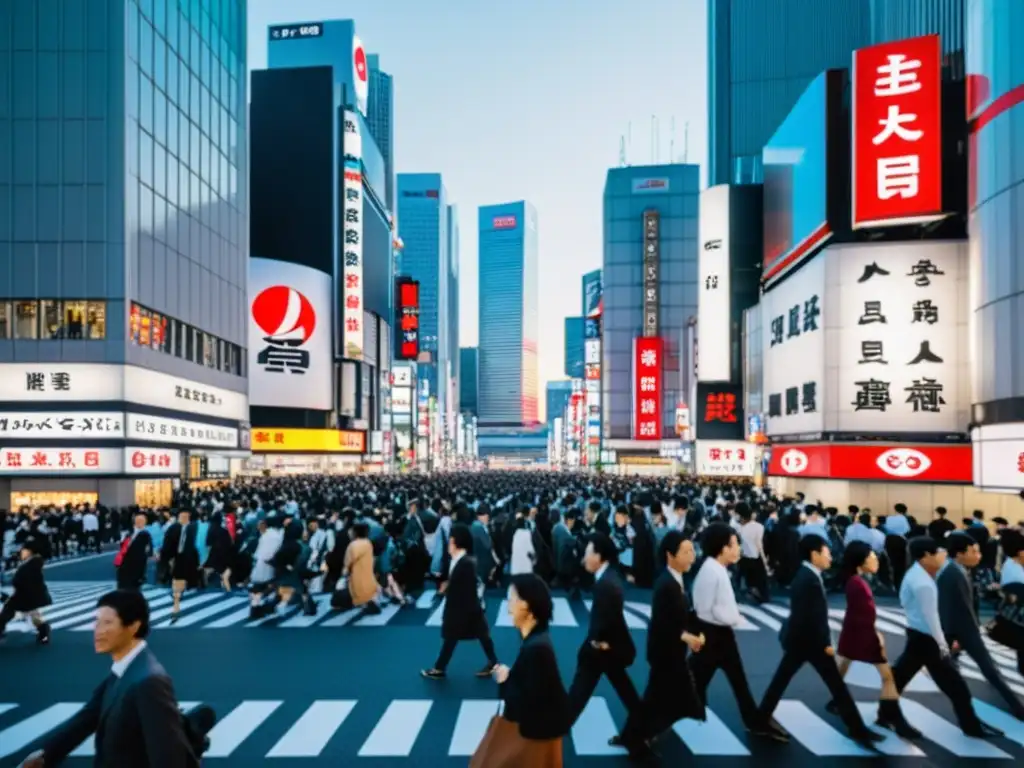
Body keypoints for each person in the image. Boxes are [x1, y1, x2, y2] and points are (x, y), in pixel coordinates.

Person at [20, 590, 214, 767]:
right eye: (97, 622)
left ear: (133, 626)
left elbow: (167, 760)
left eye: (107, 623)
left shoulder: (149, 682)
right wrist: (46, 756)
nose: (97, 630)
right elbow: (87, 718)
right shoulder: (126, 668)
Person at [758, 535, 882, 746]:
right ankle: (858, 729)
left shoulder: (807, 575)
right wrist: (826, 644)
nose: (830, 558)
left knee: (786, 681)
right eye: (827, 553)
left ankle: (760, 719)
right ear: (814, 554)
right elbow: (812, 617)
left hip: (801, 643)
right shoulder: (809, 579)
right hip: (811, 644)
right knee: (835, 686)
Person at [892, 536, 1001, 738]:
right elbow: (931, 617)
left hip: (918, 635)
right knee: (957, 688)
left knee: (898, 678)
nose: (943, 556)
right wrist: (943, 644)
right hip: (927, 639)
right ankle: (972, 727)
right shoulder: (923, 582)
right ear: (926, 556)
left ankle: (886, 713)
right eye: (939, 552)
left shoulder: (915, 574)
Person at [690, 522, 784, 741]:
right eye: (734, 545)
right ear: (722, 548)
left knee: (731, 680)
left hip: (719, 635)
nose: (738, 549)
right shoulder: (712, 571)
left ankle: (753, 721)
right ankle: (654, 723)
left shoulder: (716, 569)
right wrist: (733, 618)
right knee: (694, 681)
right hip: (713, 635)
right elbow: (704, 608)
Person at [618, 530, 705, 756]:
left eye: (692, 550)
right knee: (672, 698)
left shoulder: (676, 580)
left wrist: (693, 632)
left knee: (656, 696)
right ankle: (638, 738)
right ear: (670, 555)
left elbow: (680, 616)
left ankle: (633, 734)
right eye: (686, 552)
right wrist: (686, 636)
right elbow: (662, 622)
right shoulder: (666, 584)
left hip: (668, 652)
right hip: (665, 652)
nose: (692, 556)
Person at [472, 573, 570, 767]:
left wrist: (505, 679)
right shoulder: (536, 640)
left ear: (527, 605)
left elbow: (527, 702)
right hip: (541, 731)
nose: (508, 606)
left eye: (512, 599)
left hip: (536, 735)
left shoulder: (537, 649)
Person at [830, 540, 920, 737]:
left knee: (842, 665)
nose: (876, 559)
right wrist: (875, 636)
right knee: (888, 678)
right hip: (863, 635)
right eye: (872, 556)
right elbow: (863, 616)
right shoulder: (858, 584)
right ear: (860, 561)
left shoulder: (855, 581)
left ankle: (836, 699)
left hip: (852, 632)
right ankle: (893, 718)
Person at [566, 533, 642, 746]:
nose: (584, 558)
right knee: (624, 690)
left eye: (588, 553)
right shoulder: (608, 578)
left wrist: (597, 642)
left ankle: (559, 725)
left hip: (603, 649)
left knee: (581, 689)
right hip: (609, 648)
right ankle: (643, 727)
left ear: (600, 556)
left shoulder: (606, 584)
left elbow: (605, 619)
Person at [939, 532, 1024, 717]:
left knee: (988, 670)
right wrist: (951, 636)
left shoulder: (959, 570)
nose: (979, 556)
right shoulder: (952, 575)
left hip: (965, 630)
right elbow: (947, 608)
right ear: (959, 554)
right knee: (988, 670)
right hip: (963, 632)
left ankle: (1015, 707)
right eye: (974, 552)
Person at [422, 524, 499, 679]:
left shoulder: (465, 563)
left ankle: (439, 668)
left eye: (450, 541)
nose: (448, 545)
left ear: (457, 543)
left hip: (464, 608)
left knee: (453, 637)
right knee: (479, 636)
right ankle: (493, 663)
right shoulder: (460, 560)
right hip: (468, 608)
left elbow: (468, 587)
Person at [0, 538, 51, 644]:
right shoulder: (33, 562)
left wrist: (16, 581)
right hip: (27, 593)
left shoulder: (32, 564)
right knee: (31, 613)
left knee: (9, 611)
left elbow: (25, 579)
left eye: (24, 550)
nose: (21, 552)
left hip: (26, 594)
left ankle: (43, 631)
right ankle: (43, 631)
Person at [331, 521, 381, 615]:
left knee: (337, 600)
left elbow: (347, 564)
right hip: (368, 578)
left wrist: (343, 576)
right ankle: (369, 602)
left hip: (356, 581)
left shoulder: (353, 545)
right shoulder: (368, 543)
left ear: (355, 532)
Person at [159, 509, 200, 622]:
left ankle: (179, 594)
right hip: (176, 558)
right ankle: (176, 606)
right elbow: (167, 544)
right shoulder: (173, 528)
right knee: (177, 580)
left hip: (188, 557)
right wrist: (167, 559)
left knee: (182, 579)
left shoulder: (192, 529)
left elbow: (196, 545)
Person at [115, 512, 153, 591]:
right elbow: (122, 548)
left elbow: (148, 552)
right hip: (124, 566)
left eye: (142, 520)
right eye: (138, 520)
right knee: (123, 589)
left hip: (136, 566)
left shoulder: (145, 534)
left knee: (132, 590)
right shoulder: (128, 533)